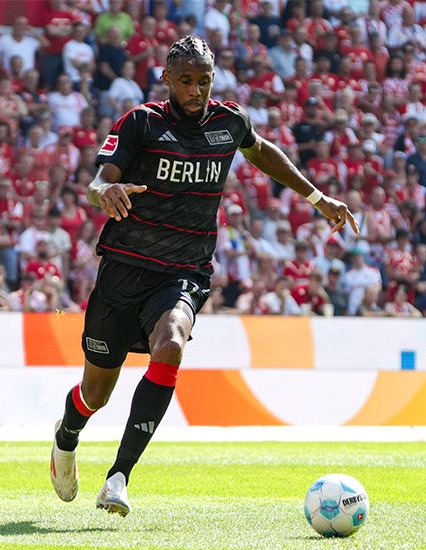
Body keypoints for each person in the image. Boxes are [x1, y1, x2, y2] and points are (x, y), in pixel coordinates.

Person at [50, 36, 358, 516]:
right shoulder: (141, 122)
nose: (196, 90)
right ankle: (66, 438)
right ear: (167, 79)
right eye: (186, 80)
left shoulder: (229, 121)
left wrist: (319, 198)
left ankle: (118, 476)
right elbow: (98, 180)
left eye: (204, 80)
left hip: (183, 271)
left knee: (171, 343)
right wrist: (103, 192)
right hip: (125, 270)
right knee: (95, 393)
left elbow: (261, 152)